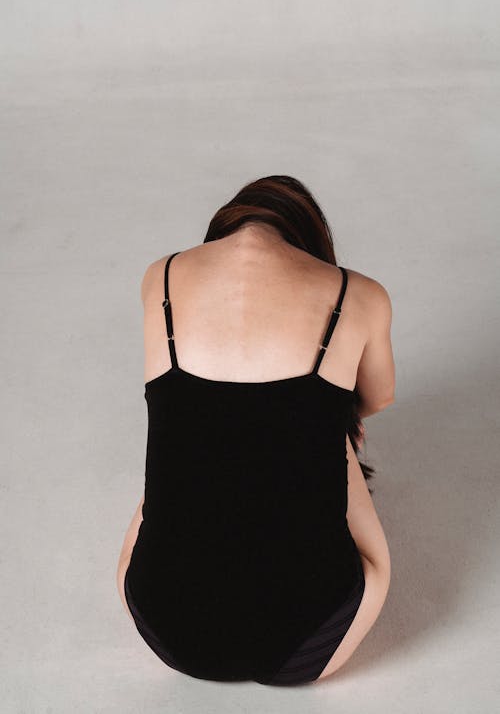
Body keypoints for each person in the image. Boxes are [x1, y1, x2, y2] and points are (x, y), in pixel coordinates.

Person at [116, 175, 394, 686]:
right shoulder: (360, 293)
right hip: (317, 642)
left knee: (189, 430)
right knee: (330, 424)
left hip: (164, 628)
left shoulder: (161, 278)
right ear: (311, 243)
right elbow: (377, 399)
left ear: (221, 232)